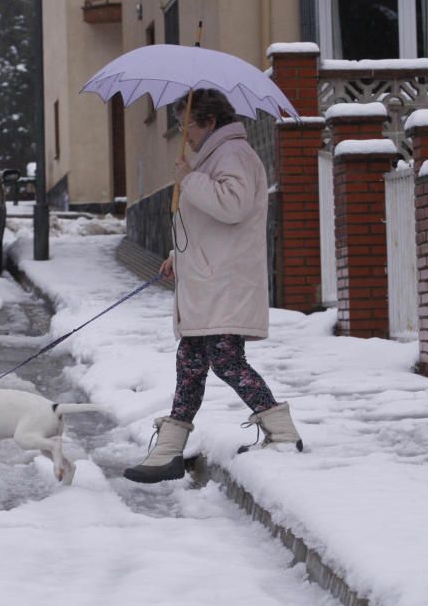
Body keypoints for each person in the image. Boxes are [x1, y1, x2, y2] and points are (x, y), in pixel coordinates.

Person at [123, 88, 304, 484]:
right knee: (190, 361)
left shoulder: (233, 154)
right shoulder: (216, 156)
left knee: (223, 359)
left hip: (224, 281)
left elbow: (233, 206)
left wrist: (191, 180)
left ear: (206, 121)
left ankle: (283, 432)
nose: (182, 133)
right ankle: (169, 450)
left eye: (185, 124)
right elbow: (210, 224)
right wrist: (178, 253)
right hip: (210, 277)